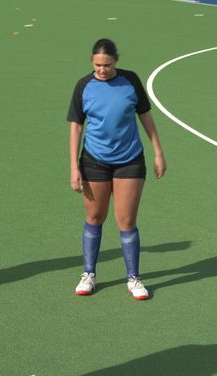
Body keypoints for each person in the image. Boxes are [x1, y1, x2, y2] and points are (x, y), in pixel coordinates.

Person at [67, 38, 166, 299]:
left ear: (116, 60)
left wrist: (158, 151)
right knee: (95, 218)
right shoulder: (83, 86)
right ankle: (89, 273)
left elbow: (146, 116)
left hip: (130, 161)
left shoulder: (131, 81)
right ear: (92, 62)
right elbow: (76, 126)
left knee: (126, 221)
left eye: (107, 65)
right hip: (94, 162)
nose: (102, 70)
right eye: (98, 65)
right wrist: (74, 167)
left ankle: (133, 278)